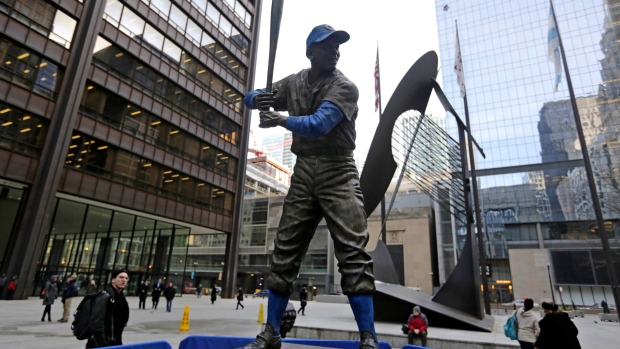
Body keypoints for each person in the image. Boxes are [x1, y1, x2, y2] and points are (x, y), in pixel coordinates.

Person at [241, 24, 377, 349]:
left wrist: (280, 119)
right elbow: (250, 98)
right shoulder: (294, 82)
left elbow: (318, 125)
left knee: (353, 253)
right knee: (285, 251)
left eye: (336, 47)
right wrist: (259, 97)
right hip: (303, 172)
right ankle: (270, 333)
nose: (335, 52)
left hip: (338, 171)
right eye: (328, 47)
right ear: (311, 51)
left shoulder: (345, 86)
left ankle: (368, 336)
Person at [85, 269, 130, 348]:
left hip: (115, 341)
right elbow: (96, 323)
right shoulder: (105, 296)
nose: (124, 280)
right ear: (113, 280)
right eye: (121, 277)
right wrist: (103, 344)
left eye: (126, 278)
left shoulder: (121, 297)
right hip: (101, 343)